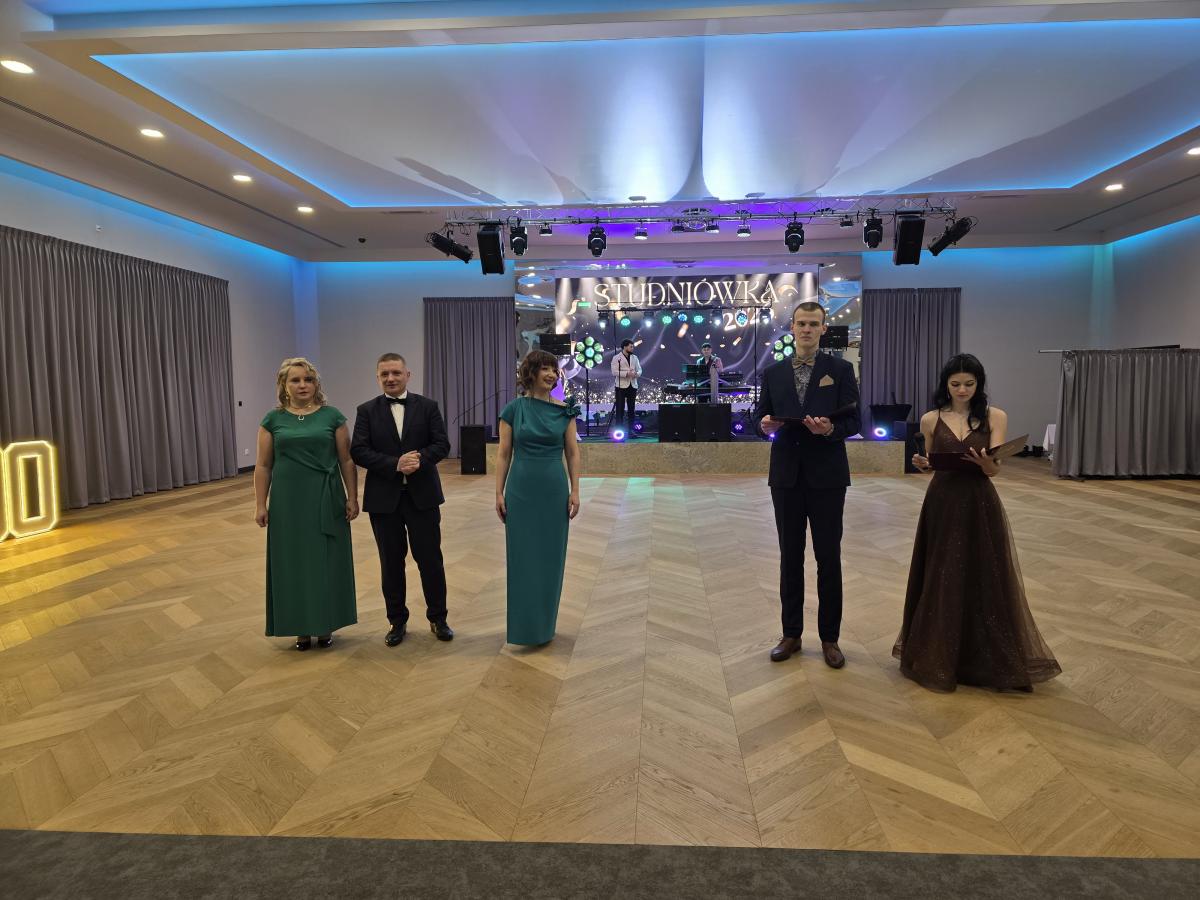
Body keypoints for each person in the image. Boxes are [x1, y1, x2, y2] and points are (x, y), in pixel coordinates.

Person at [895, 354, 1061, 692]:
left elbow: (994, 470)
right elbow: (933, 464)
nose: (962, 390)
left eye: (969, 384)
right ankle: (937, 655)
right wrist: (923, 464)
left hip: (978, 500)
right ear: (945, 385)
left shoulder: (995, 416)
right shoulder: (930, 419)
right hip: (941, 501)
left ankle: (983, 659)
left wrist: (986, 463)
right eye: (955, 384)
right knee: (941, 572)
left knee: (983, 572)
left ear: (978, 384)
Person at [755, 301, 861, 668]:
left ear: (823, 329)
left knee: (828, 557)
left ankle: (830, 639)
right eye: (801, 323)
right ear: (792, 327)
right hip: (786, 476)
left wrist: (830, 429)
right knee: (790, 557)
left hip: (828, 476)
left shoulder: (841, 370)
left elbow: (855, 421)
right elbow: (760, 417)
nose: (806, 329)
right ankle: (791, 634)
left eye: (814, 324)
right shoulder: (773, 372)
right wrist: (763, 426)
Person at [255, 357, 358, 651]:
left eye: (308, 379)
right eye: (296, 380)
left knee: (325, 561)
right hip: (288, 502)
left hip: (326, 497)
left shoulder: (333, 417)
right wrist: (260, 504)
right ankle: (299, 626)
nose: (303, 385)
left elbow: (346, 460)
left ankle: (325, 624)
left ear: (316, 384)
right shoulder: (272, 420)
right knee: (293, 562)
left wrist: (352, 497)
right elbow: (263, 465)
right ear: (284, 385)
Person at [350, 353, 453, 646]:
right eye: (384, 374)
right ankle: (397, 621)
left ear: (408, 375)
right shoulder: (366, 411)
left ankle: (438, 618)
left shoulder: (428, 406)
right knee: (391, 563)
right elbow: (358, 451)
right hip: (384, 501)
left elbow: (442, 444)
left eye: (396, 372)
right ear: (378, 378)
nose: (391, 378)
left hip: (423, 497)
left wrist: (418, 459)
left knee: (431, 560)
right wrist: (395, 464)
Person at [495, 350, 582, 645]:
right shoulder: (513, 409)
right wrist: (498, 492)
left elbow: (572, 453)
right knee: (522, 558)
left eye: (554, 369)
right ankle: (523, 629)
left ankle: (544, 627)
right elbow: (503, 454)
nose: (552, 374)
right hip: (521, 489)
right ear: (530, 373)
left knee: (550, 559)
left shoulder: (565, 411)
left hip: (553, 489)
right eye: (545, 368)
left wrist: (575, 490)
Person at [610, 338, 641, 433]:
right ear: (625, 347)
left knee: (631, 409)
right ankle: (619, 431)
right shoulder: (617, 358)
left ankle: (631, 430)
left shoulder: (634, 357)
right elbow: (614, 372)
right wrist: (627, 373)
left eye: (632, 347)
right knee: (620, 409)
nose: (632, 348)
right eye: (631, 347)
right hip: (621, 386)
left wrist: (636, 374)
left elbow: (640, 369)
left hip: (632, 385)